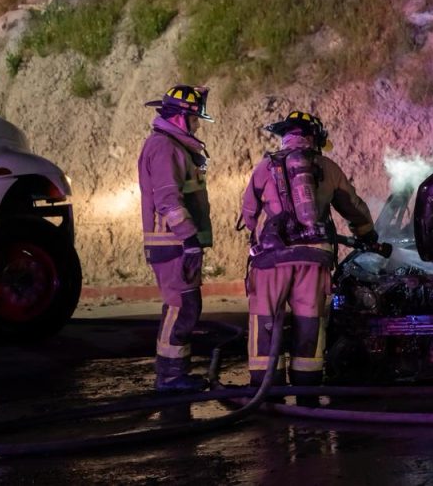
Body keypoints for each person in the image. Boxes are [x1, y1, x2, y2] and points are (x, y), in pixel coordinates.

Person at [240, 110, 376, 404]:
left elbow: (248, 212)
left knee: (265, 319)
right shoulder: (327, 167)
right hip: (314, 259)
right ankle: (306, 388)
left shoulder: (265, 167)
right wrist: (367, 233)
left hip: (271, 259)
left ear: (285, 137)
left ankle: (266, 390)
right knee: (309, 320)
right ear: (315, 138)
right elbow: (353, 207)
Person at [138, 84, 214, 391]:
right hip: (173, 243)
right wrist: (189, 239)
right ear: (180, 118)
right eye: (194, 119)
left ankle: (175, 374)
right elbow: (168, 201)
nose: (197, 126)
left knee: (185, 306)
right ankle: (170, 377)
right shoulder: (165, 148)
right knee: (181, 306)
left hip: (176, 242)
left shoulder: (172, 146)